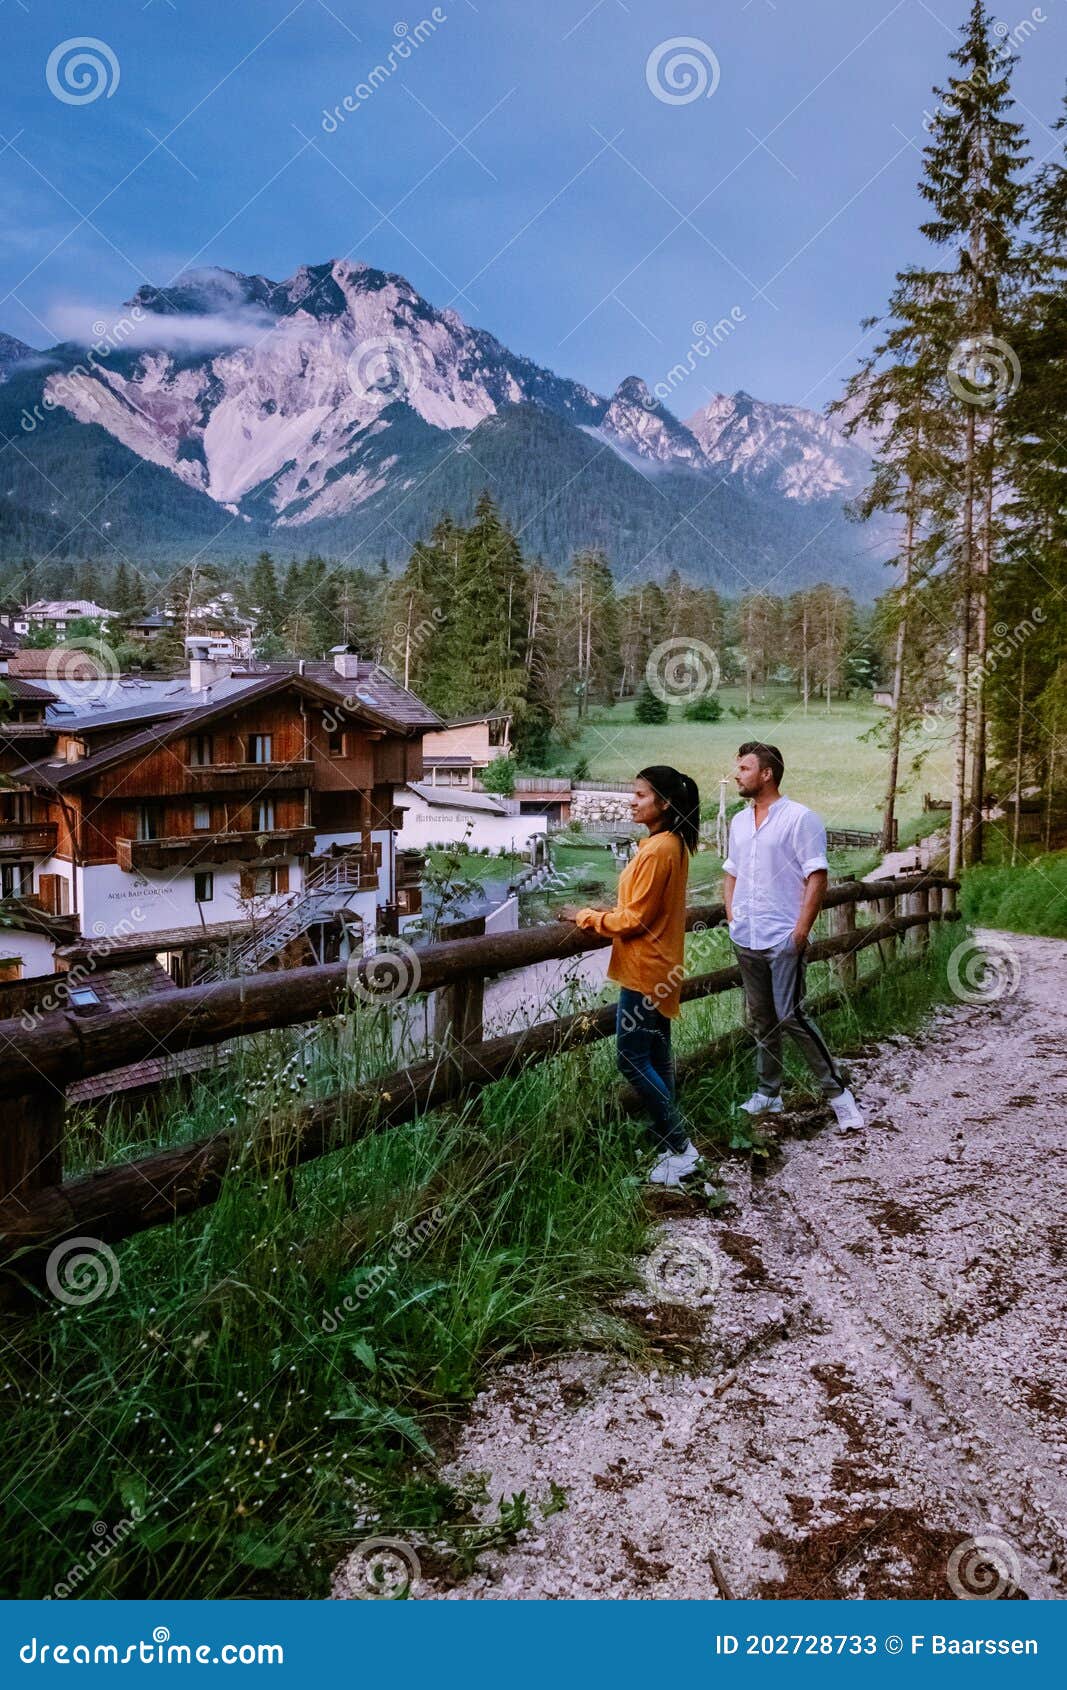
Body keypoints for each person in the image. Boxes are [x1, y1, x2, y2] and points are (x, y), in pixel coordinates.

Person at [559, 766, 702, 1188]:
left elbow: (635, 919)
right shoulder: (670, 844)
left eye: (640, 795)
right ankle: (667, 1143)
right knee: (657, 1058)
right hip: (662, 965)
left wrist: (585, 915)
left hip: (646, 969)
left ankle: (680, 1148)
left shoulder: (659, 849)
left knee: (630, 1058)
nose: (631, 801)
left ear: (665, 804)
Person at [723, 741, 864, 1132]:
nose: (738, 774)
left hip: (782, 935)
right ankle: (769, 1092)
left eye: (745, 768)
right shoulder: (738, 821)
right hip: (746, 935)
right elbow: (731, 871)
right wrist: (733, 917)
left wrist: (800, 932)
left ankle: (838, 1094)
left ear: (766, 774)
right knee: (761, 1017)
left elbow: (816, 875)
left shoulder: (800, 818)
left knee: (790, 1014)